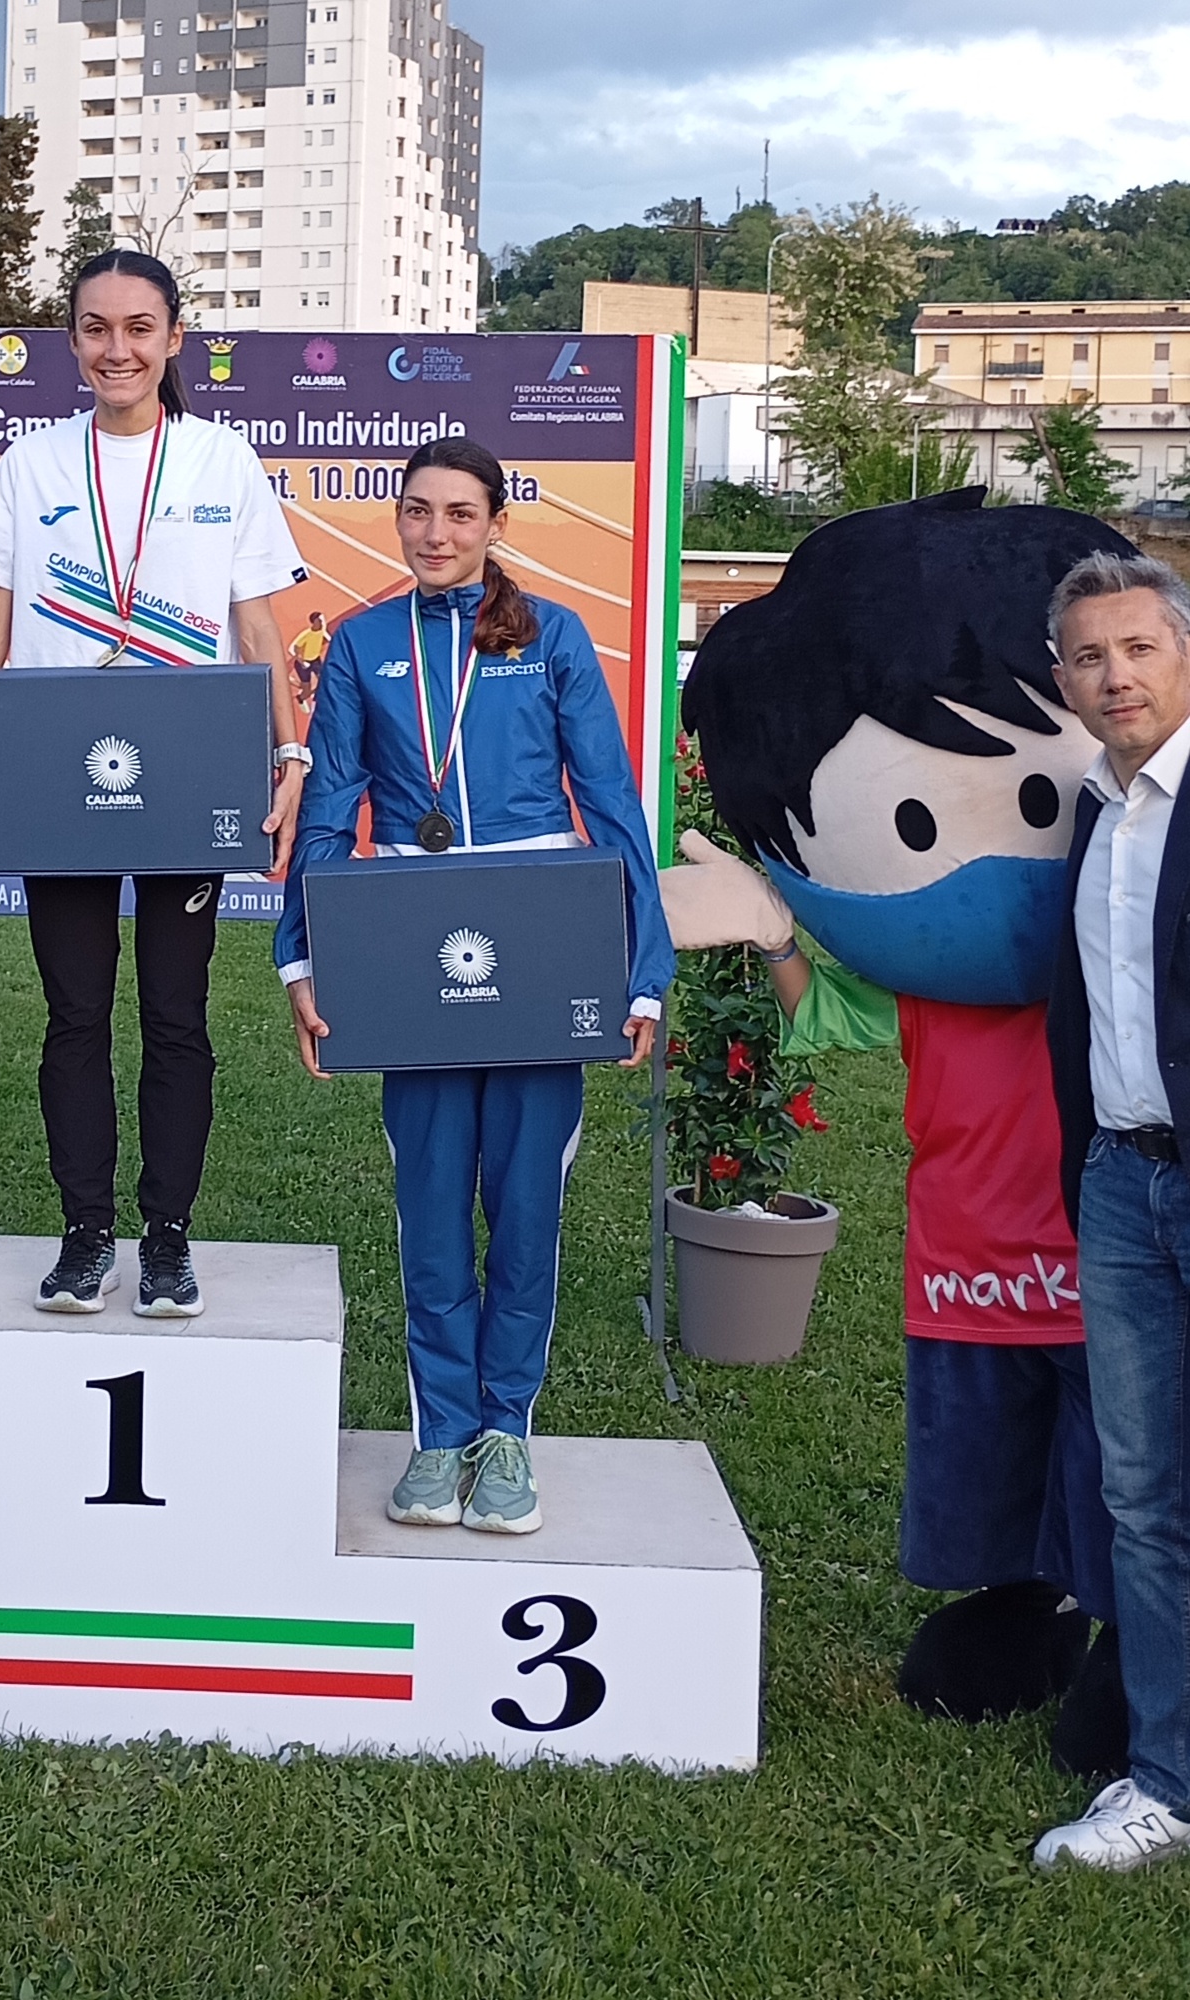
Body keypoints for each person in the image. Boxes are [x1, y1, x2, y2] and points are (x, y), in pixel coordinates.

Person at [667, 492, 1130, 1771]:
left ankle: (1126, 1635)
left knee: (1115, 1454)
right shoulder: (921, 984)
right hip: (965, 1255)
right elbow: (829, 1016)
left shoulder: (1126, 941)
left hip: (1107, 1250)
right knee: (985, 1446)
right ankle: (1022, 1603)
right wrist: (772, 929)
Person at [276, 438, 672, 1534]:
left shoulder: (552, 637)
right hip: (414, 947)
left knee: (527, 1205)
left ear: (496, 523)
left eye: (459, 513)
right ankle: (440, 1432)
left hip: (540, 946)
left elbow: (611, 801)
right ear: (397, 520)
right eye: (417, 511)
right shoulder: (363, 644)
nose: (436, 532)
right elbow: (329, 810)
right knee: (432, 1204)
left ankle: (507, 1430)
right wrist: (303, 957)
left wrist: (641, 971)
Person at [0, 249, 307, 1318]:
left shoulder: (221, 460)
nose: (118, 349)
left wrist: (286, 755)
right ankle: (84, 1233)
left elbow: (257, 627)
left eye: (139, 328)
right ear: (72, 342)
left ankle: (166, 1237)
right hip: (58, 771)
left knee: (175, 1014)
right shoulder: (30, 463)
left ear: (173, 339)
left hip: (188, 769)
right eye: (97, 328)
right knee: (73, 1014)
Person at [1037, 550, 1190, 1870]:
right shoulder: (1097, 811)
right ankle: (1166, 1779)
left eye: (1136, 647)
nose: (1114, 675)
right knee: (1140, 1496)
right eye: (1088, 655)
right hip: (1121, 1184)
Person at [288, 609, 329, 716]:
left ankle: (316, 694)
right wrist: (302, 662)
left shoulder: (321, 630)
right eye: (320, 620)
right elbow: (295, 649)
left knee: (324, 680)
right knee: (306, 690)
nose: (322, 622)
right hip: (304, 664)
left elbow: (324, 638)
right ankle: (301, 698)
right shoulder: (306, 635)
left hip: (316, 661)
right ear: (314, 622)